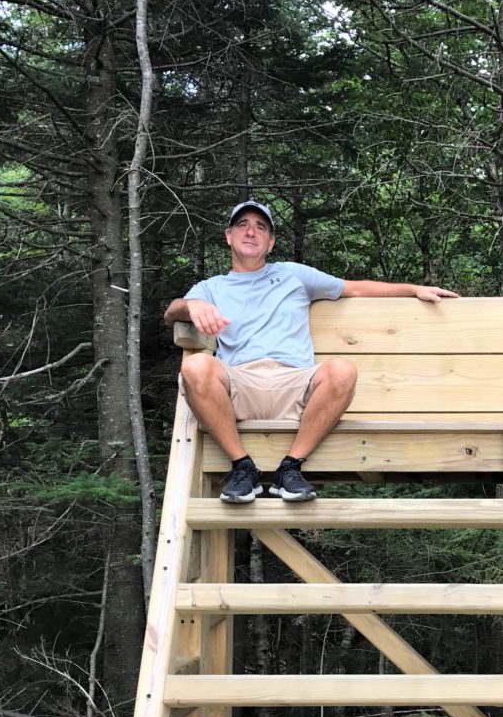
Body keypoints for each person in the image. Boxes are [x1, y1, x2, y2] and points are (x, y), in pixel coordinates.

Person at [164, 200, 458, 504]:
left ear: (271, 242)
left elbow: (353, 288)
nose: (251, 231)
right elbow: (172, 312)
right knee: (196, 366)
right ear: (228, 236)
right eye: (243, 225)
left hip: (295, 385)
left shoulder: (294, 275)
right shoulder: (211, 288)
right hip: (239, 387)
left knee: (343, 370)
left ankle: (289, 468)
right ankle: (242, 468)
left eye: (260, 227)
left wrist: (412, 290)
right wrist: (192, 305)